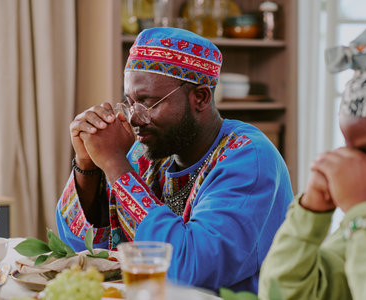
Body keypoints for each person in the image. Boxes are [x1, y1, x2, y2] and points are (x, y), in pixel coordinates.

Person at [56, 27, 293, 293]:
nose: (134, 117)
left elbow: (190, 268)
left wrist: (114, 166)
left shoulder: (248, 157)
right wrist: (87, 165)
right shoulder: (148, 152)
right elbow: (81, 252)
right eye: (130, 101)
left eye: (149, 103)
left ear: (200, 97)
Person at [258, 24, 366, 300]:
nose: (362, 169)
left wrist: (363, 219)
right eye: (352, 152)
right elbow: (282, 293)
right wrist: (311, 211)